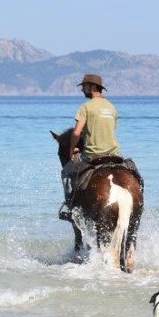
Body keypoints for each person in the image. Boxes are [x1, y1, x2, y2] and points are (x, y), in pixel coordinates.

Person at [58, 73, 121, 220]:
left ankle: (71, 209)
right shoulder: (112, 108)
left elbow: (77, 133)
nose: (82, 90)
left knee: (67, 172)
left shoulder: (86, 107)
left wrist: (72, 149)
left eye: (84, 87)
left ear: (92, 87)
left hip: (93, 155)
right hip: (115, 155)